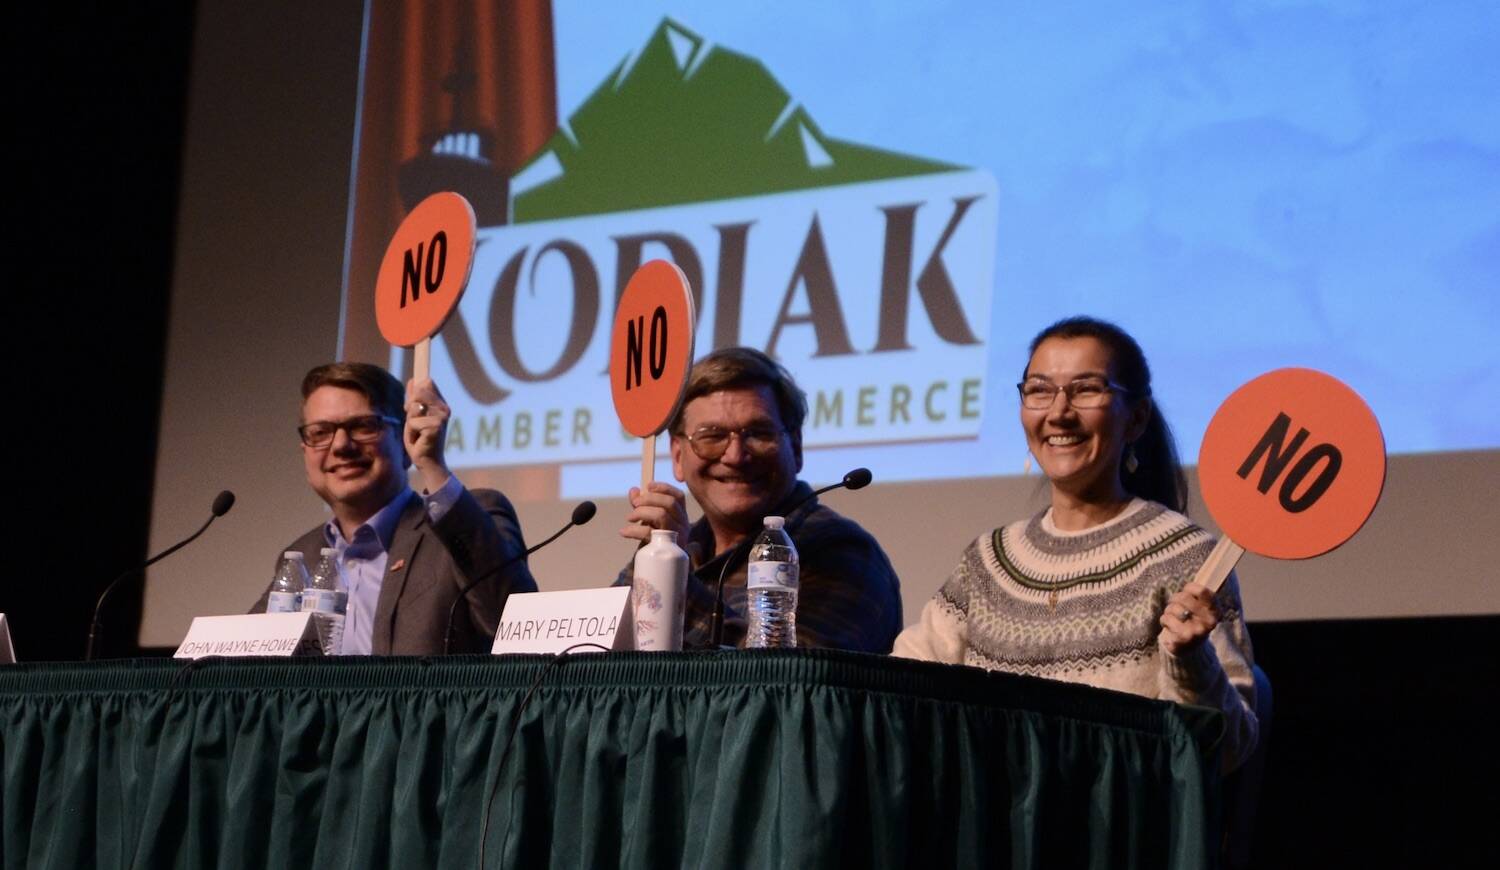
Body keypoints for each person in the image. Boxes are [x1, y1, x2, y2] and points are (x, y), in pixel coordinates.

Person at [894, 317, 1259, 770]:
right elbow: (902, 686)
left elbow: (1228, 749)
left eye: (1086, 389)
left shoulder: (1187, 558)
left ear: (1137, 417)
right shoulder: (989, 561)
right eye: (1039, 390)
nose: (1059, 412)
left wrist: (1192, 662)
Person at [616, 347, 902, 651]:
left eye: (758, 433)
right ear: (677, 456)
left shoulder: (844, 553)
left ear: (795, 447)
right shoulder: (683, 549)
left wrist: (675, 584)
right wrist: (661, 562)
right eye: (712, 436)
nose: (736, 456)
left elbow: (794, 678)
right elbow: (593, 656)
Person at [252, 362, 536, 654]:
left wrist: (433, 466)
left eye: (363, 426)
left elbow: (516, 628)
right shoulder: (303, 558)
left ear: (405, 440)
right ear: (305, 452)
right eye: (320, 432)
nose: (340, 445)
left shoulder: (462, 520)